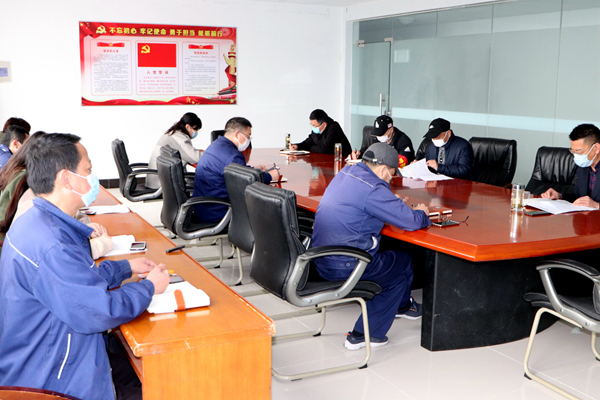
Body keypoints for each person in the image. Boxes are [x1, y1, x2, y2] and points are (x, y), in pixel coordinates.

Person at [0, 133, 170, 400]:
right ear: (66, 179)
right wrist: (149, 287)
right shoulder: (51, 244)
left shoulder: (39, 221)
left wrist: (124, 268)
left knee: (153, 373)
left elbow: (75, 280)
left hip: (52, 355)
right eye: (88, 170)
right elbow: (100, 311)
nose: (92, 178)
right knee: (165, 386)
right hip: (55, 381)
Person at [311, 143, 431, 350]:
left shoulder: (346, 172)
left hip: (319, 259)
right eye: (392, 173)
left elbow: (362, 202)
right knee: (402, 264)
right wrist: (422, 212)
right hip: (346, 264)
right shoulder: (373, 187)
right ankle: (366, 334)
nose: (391, 179)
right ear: (383, 169)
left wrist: (389, 203)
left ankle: (403, 307)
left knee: (392, 260)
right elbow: (411, 221)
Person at [193, 117, 280, 223]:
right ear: (237, 134)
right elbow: (246, 183)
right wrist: (269, 176)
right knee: (272, 209)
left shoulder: (216, 145)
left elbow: (233, 170)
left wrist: (253, 169)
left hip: (203, 208)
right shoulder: (233, 155)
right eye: (248, 136)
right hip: (219, 213)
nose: (248, 140)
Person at [542, 124, 600, 208]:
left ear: (596, 148)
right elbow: (578, 197)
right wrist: (559, 196)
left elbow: (592, 204)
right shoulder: (583, 168)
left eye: (579, 152)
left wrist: (597, 205)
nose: (576, 156)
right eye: (573, 151)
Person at [146, 112, 204, 189]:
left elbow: (186, 152)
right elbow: (195, 158)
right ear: (187, 127)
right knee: (203, 184)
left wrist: (197, 152)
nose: (196, 132)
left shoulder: (174, 133)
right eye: (195, 129)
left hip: (157, 180)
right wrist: (210, 153)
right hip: (162, 184)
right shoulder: (179, 138)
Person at [350, 115, 415, 168]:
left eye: (382, 133)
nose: (379, 137)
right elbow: (369, 153)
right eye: (377, 134)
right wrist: (359, 154)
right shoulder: (375, 138)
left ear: (391, 130)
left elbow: (402, 162)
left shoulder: (403, 141)